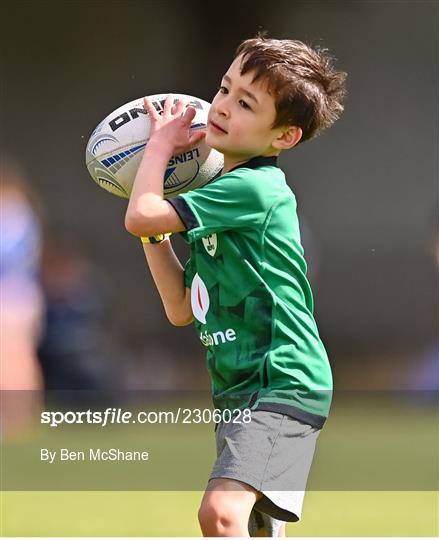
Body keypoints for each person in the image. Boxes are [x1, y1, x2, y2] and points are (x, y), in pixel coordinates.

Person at [125, 34, 347, 537]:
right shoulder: (218, 200)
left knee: (220, 514)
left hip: (281, 379)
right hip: (239, 389)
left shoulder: (251, 188)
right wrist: (160, 231)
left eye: (245, 103)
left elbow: (139, 214)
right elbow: (182, 307)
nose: (222, 106)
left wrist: (156, 150)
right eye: (225, 89)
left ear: (283, 137)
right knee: (251, 527)